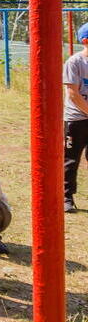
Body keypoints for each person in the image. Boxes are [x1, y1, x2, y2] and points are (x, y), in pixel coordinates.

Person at [63, 22, 88, 213]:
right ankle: (66, 196)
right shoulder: (75, 62)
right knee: (71, 159)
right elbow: (73, 93)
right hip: (76, 120)